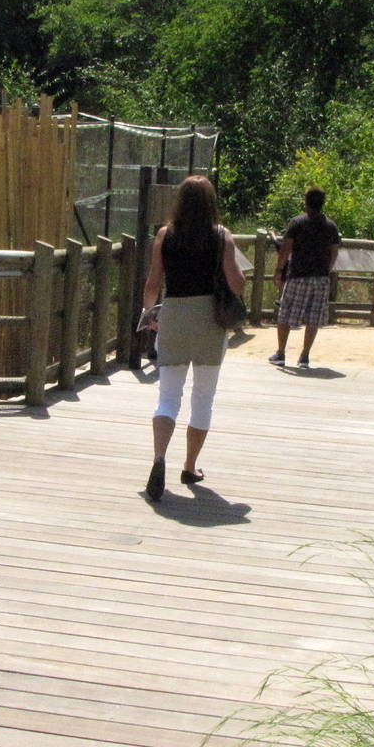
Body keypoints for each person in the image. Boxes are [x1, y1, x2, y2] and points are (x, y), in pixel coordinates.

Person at [140, 174, 245, 502]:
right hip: (209, 321)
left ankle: (159, 457)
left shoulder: (165, 235)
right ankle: (189, 465)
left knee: (168, 396)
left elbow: (153, 284)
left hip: (173, 316)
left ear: (180, 202)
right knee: (203, 396)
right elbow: (237, 282)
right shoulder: (221, 236)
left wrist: (150, 314)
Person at [269, 186, 341, 368]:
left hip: (298, 275)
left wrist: (279, 270)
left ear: (306, 201)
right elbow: (334, 252)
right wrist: (327, 269)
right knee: (313, 317)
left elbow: (286, 248)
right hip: (321, 277)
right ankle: (304, 356)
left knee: (285, 314)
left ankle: (281, 353)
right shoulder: (331, 226)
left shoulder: (297, 222)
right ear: (323, 203)